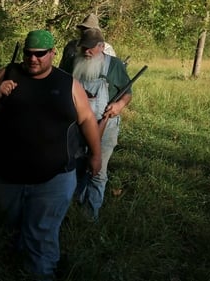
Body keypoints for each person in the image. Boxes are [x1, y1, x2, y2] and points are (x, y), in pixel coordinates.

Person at [0, 30, 102, 280]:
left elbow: (87, 118)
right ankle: (17, 262)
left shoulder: (68, 84)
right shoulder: (9, 73)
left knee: (41, 233)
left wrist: (95, 155)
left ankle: (43, 273)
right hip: (4, 174)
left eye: (40, 54)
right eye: (28, 54)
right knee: (11, 226)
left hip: (54, 178)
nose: (33, 59)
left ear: (53, 53)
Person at [70, 28, 132, 222]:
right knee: (76, 167)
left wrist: (119, 105)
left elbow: (127, 92)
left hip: (106, 127)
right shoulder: (74, 62)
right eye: (83, 48)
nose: (86, 52)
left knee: (97, 171)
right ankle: (75, 207)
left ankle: (90, 215)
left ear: (101, 47)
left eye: (90, 48)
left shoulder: (114, 65)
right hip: (77, 127)